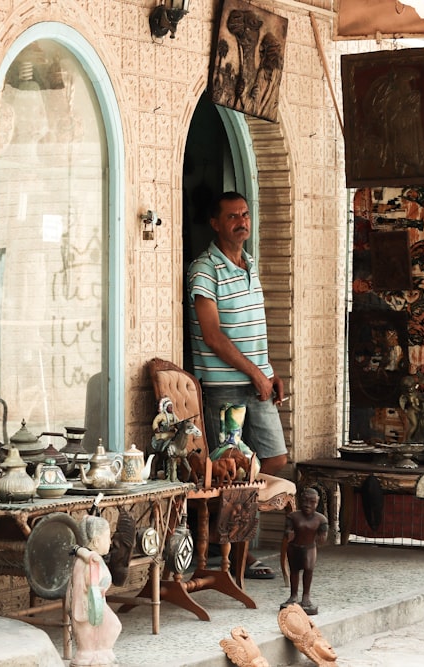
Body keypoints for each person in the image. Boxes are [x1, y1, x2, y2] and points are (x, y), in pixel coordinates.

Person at [187, 191, 288, 579]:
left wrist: (268, 370)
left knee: (274, 460)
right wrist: (255, 373)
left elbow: (251, 329)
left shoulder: (250, 264)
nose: (241, 221)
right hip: (226, 388)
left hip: (255, 382)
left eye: (245, 214)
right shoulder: (204, 270)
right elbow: (213, 336)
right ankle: (233, 555)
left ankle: (230, 541)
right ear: (215, 223)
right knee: (230, 471)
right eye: (232, 216)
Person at [69, 515, 121, 667]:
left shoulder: (87, 559)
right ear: (96, 541)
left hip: (95, 602)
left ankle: (100, 652)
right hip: (90, 605)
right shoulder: (89, 562)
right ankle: (94, 655)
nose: (110, 542)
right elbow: (92, 586)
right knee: (112, 626)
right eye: (107, 537)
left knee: (110, 627)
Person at [280, 487, 328, 615]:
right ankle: (293, 595)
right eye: (305, 501)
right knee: (294, 571)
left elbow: (323, 533)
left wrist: (323, 536)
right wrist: (288, 533)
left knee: (308, 570)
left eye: (312, 502)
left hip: (309, 548)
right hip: (294, 547)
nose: (307, 505)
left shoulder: (321, 519)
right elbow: (287, 530)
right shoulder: (293, 516)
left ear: (317, 503)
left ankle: (306, 596)